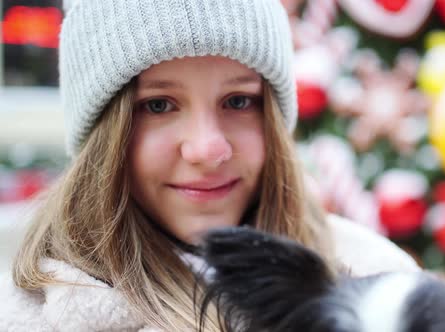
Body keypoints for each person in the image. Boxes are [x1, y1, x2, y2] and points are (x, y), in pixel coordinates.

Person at [0, 0, 419, 330]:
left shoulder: (382, 282)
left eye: (238, 101)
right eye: (158, 105)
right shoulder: (27, 318)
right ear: (103, 138)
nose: (208, 148)